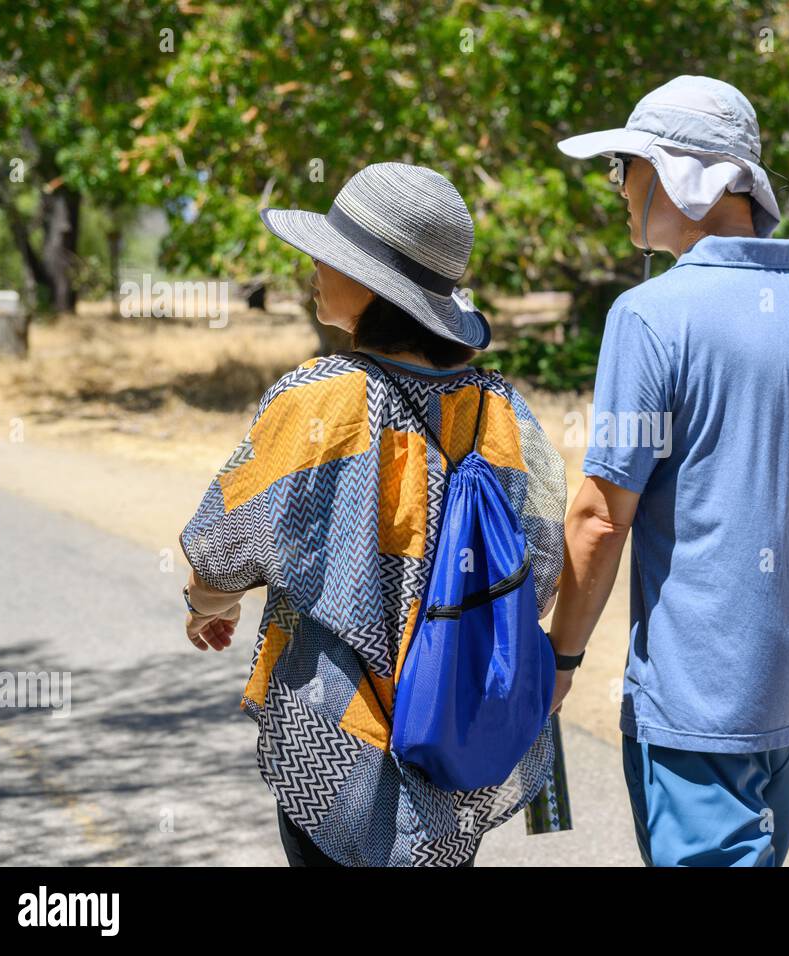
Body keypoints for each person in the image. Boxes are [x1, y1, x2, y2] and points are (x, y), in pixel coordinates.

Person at [179, 162, 568, 867]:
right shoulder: (501, 410)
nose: (314, 267)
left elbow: (220, 552)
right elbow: (540, 570)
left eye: (332, 254)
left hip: (337, 737)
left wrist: (208, 604)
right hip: (459, 730)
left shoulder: (320, 399)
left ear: (371, 283)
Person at [548, 76, 789, 866]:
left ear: (672, 174)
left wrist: (556, 661)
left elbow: (600, 516)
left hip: (698, 712)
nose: (618, 189)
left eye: (623, 166)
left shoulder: (650, 316)